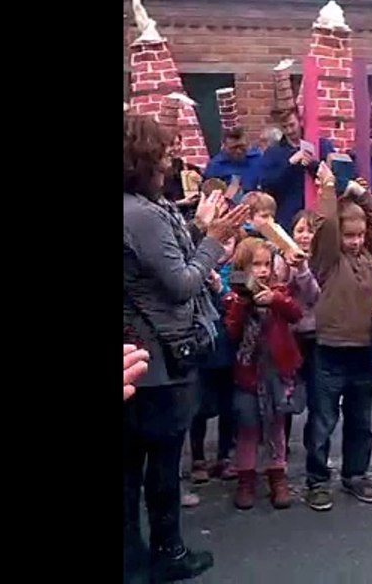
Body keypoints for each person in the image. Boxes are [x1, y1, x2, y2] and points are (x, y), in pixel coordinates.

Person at [123, 113, 247, 582]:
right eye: (162, 154)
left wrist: (198, 232)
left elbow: (158, 268)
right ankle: (165, 554)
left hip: (140, 356)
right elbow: (180, 283)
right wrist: (214, 242)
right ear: (141, 160)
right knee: (158, 464)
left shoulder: (137, 209)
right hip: (161, 358)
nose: (170, 163)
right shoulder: (140, 213)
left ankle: (135, 558)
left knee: (132, 467)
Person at [304, 163, 372, 512]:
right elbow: (324, 226)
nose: (355, 241)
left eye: (359, 235)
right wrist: (327, 190)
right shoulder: (328, 259)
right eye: (349, 236)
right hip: (329, 350)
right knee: (323, 420)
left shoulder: (370, 255)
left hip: (364, 351)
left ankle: (355, 474)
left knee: (361, 420)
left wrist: (358, 194)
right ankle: (317, 480)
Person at [223, 237, 305, 509]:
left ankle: (277, 476)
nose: (262, 270)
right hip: (248, 374)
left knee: (276, 427)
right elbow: (232, 331)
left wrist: (275, 300)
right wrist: (242, 304)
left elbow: (296, 314)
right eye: (255, 264)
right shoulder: (235, 298)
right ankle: (246, 478)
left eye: (266, 264)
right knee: (247, 428)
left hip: (277, 372)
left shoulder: (279, 290)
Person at [187, 221, 242, 486]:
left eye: (228, 242)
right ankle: (198, 458)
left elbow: (241, 306)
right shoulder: (195, 270)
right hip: (202, 352)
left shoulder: (238, 272)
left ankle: (226, 455)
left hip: (230, 349)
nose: (222, 248)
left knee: (229, 406)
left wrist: (222, 289)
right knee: (198, 406)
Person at [274, 210, 322, 454]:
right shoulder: (281, 259)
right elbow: (278, 289)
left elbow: (315, 295)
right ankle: (281, 446)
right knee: (287, 392)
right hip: (290, 334)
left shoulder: (321, 261)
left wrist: (302, 268)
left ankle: (314, 445)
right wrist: (286, 264)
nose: (305, 236)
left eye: (310, 231)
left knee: (317, 394)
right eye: (300, 230)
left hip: (313, 333)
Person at [258, 109, 335, 233]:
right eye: (284, 127)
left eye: (292, 125)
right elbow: (267, 185)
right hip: (288, 217)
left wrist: (312, 164)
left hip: (319, 214)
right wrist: (290, 163)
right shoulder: (274, 152)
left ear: (300, 121)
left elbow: (334, 177)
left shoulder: (322, 145)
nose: (289, 130)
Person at [203, 125, 262, 195]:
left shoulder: (258, 158)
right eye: (233, 148)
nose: (238, 151)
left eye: (242, 147)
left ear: (248, 144)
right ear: (224, 146)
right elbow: (208, 192)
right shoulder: (215, 166)